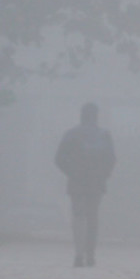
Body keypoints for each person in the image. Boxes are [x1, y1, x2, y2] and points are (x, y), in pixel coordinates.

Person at [55, 102, 116, 267]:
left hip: (77, 181)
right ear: (96, 116)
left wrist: (71, 172)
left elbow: (59, 158)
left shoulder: (71, 134)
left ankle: (78, 254)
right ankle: (91, 255)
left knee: (78, 216)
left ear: (81, 115)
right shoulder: (104, 135)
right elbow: (111, 159)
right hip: (96, 181)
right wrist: (104, 175)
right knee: (93, 217)